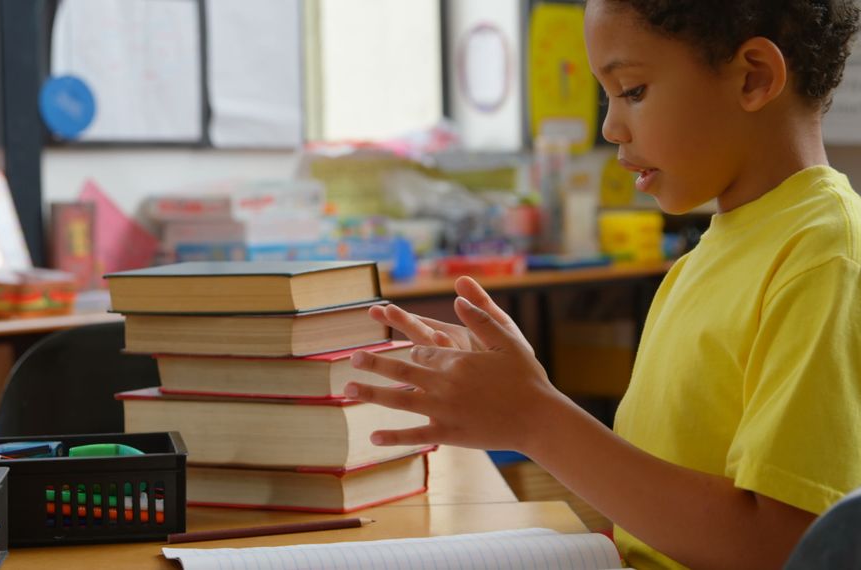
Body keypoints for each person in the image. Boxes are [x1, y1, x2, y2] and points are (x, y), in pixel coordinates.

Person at [345, 1, 861, 568]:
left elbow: (785, 547)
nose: (611, 127)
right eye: (607, 96)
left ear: (753, 77)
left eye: (633, 90)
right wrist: (515, 397)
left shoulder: (822, 256)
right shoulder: (707, 257)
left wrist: (535, 417)